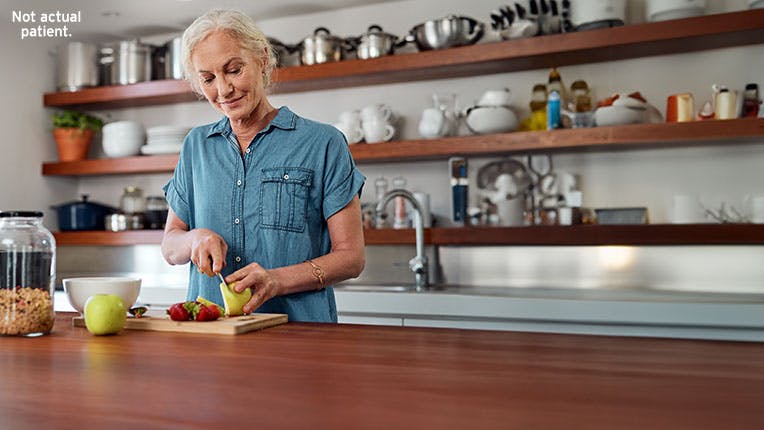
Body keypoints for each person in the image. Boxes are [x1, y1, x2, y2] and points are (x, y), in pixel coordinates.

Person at [161, 9, 366, 322]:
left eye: (234, 70)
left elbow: (351, 258)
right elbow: (171, 246)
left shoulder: (323, 143)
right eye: (208, 79)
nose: (224, 90)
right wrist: (193, 238)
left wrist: (277, 280)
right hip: (213, 337)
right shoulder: (195, 146)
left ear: (263, 59)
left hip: (299, 338)